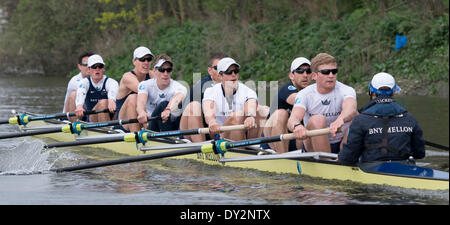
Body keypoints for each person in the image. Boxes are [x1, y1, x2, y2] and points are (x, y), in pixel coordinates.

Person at [338, 72, 425, 165]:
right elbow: (419, 154)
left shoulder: (360, 120)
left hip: (370, 170)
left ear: (371, 92)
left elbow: (347, 158)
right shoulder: (409, 118)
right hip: (404, 168)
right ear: (394, 92)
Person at [288, 53, 357, 153]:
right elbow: (293, 118)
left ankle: (346, 155)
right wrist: (297, 126)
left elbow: (350, 108)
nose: (331, 75)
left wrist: (340, 119)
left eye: (334, 71)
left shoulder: (346, 90)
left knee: (357, 116)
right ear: (314, 75)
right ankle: (325, 161)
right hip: (313, 145)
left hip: (342, 141)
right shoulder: (305, 94)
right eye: (325, 72)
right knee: (318, 120)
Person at [202, 57, 268, 141]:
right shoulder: (210, 91)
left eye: (236, 71)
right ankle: (242, 150)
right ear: (220, 76)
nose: (233, 74)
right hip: (220, 134)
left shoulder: (248, 91)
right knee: (238, 115)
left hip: (244, 133)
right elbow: (209, 111)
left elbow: (251, 103)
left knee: (264, 111)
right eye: (229, 72)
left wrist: (250, 116)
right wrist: (212, 122)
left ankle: (255, 146)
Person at [262, 57, 313, 153]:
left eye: (308, 71)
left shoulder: (313, 92)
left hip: (297, 138)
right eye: (300, 71)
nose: (305, 75)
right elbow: (299, 100)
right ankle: (282, 158)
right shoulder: (286, 89)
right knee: (281, 113)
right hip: (271, 139)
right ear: (291, 76)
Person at [179, 52, 226, 142]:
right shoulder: (201, 86)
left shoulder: (235, 84)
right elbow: (189, 114)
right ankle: (201, 149)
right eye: (217, 68)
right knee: (194, 106)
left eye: (224, 69)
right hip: (195, 129)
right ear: (210, 71)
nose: (221, 72)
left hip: (220, 129)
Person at [136, 54, 187, 132]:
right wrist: (141, 112)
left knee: (165, 105)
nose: (165, 74)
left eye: (168, 70)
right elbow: (141, 103)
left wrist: (168, 110)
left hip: (172, 125)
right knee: (163, 105)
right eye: (162, 70)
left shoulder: (179, 86)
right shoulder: (145, 85)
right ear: (154, 71)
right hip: (152, 126)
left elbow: (178, 98)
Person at [115, 46, 154, 132]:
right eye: (142, 59)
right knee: (134, 97)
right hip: (124, 123)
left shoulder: (152, 75)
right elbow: (142, 90)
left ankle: (153, 131)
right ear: (134, 61)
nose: (146, 62)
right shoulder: (127, 77)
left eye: (149, 59)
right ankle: (135, 135)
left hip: (142, 117)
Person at [74, 54, 119, 122]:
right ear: (89, 70)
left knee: (104, 102)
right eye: (94, 66)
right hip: (92, 117)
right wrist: (79, 106)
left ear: (103, 69)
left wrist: (112, 100)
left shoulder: (111, 82)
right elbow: (81, 93)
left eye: (100, 66)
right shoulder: (84, 82)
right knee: (103, 103)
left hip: (111, 117)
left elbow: (113, 91)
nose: (97, 69)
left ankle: (109, 129)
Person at [63, 52, 93, 122]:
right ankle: (75, 125)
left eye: (91, 64)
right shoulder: (74, 81)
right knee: (74, 94)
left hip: (87, 113)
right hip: (71, 115)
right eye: (85, 64)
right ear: (79, 66)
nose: (88, 67)